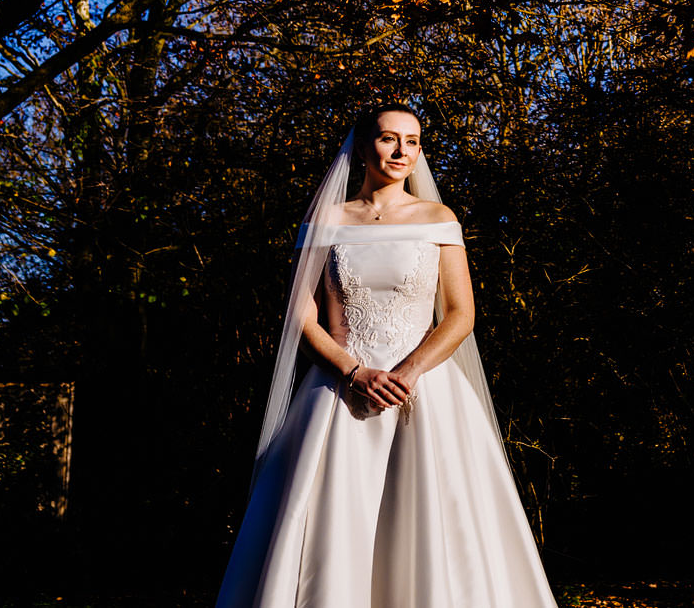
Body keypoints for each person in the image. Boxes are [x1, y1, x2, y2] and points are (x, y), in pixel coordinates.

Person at [214, 104, 558, 608]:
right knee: (333, 518)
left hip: (423, 391)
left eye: (413, 141)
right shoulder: (326, 221)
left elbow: (461, 314)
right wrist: (354, 372)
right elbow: (300, 316)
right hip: (339, 390)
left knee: (433, 519)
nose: (402, 151)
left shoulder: (438, 218)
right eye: (389, 138)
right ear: (361, 146)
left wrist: (408, 371)